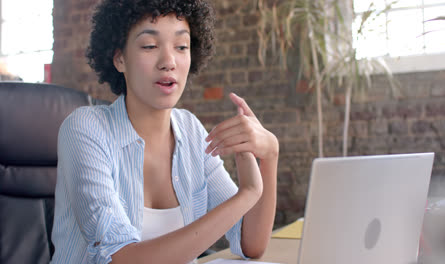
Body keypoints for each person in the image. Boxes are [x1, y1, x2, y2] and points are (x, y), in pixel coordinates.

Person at [50, 0, 279, 263]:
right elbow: (121, 258)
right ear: (119, 58)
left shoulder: (191, 130)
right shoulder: (85, 128)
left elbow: (252, 246)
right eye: (149, 46)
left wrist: (269, 156)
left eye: (181, 47)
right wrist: (246, 195)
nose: (169, 61)